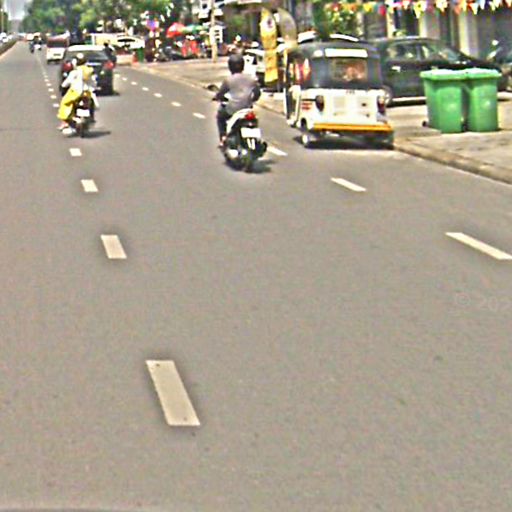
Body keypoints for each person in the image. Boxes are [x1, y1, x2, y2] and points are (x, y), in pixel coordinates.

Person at [215, 53, 261, 145]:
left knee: (220, 116)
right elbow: (257, 93)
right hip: (247, 108)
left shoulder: (228, 80)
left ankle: (223, 137)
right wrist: (252, 100)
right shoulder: (251, 79)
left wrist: (217, 97)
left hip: (232, 109)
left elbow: (221, 93)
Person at [57, 53, 97, 130]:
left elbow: (67, 82)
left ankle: (65, 121)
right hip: (87, 92)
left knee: (65, 103)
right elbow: (94, 82)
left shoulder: (75, 72)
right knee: (91, 103)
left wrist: (62, 86)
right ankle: (91, 117)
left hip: (76, 92)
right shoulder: (89, 71)